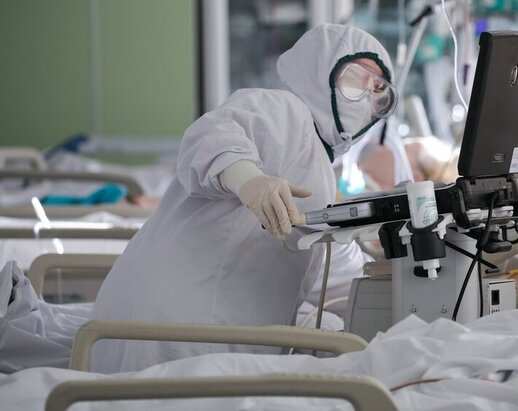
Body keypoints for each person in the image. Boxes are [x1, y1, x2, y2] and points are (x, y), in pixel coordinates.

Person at [89, 24, 397, 373]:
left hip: (189, 327)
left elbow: (332, 263)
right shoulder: (282, 110)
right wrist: (248, 180)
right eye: (355, 78)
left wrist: (397, 276)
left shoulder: (320, 169)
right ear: (318, 70)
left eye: (377, 91)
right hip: (177, 325)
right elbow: (211, 135)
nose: (365, 96)